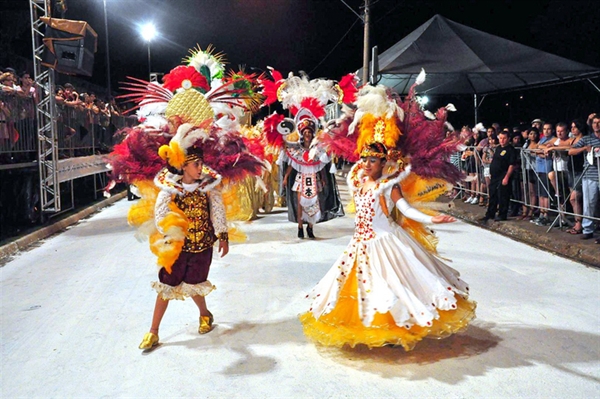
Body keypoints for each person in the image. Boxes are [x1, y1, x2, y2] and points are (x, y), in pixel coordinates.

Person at [300, 80, 475, 351]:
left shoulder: (388, 185)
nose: (367, 164)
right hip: (360, 244)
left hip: (387, 242)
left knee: (393, 286)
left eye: (373, 161)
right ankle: (376, 329)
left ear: (384, 163)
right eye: (365, 159)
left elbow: (404, 209)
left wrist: (432, 219)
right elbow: (357, 162)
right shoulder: (357, 179)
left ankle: (396, 330)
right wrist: (372, 132)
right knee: (362, 289)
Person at [138, 145, 229, 350]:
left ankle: (205, 314)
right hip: (177, 248)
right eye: (196, 164)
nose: (200, 168)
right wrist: (171, 233)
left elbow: (217, 212)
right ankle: (153, 332)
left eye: (201, 164)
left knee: (195, 282)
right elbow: (160, 216)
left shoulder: (208, 188)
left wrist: (223, 236)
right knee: (166, 285)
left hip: (203, 245)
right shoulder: (169, 189)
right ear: (184, 166)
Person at [568, 113, 600, 244]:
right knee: (589, 204)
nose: (596, 125)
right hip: (590, 176)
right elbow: (570, 151)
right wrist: (584, 149)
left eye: (599, 122)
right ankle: (587, 229)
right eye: (594, 123)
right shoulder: (587, 138)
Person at [480, 130, 517, 223]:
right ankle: (490, 213)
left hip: (503, 175)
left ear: (508, 139)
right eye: (500, 138)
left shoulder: (510, 150)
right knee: (492, 194)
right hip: (495, 176)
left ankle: (502, 214)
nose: (502, 140)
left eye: (504, 138)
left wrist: (506, 177)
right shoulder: (499, 148)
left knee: (503, 195)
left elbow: (511, 165)